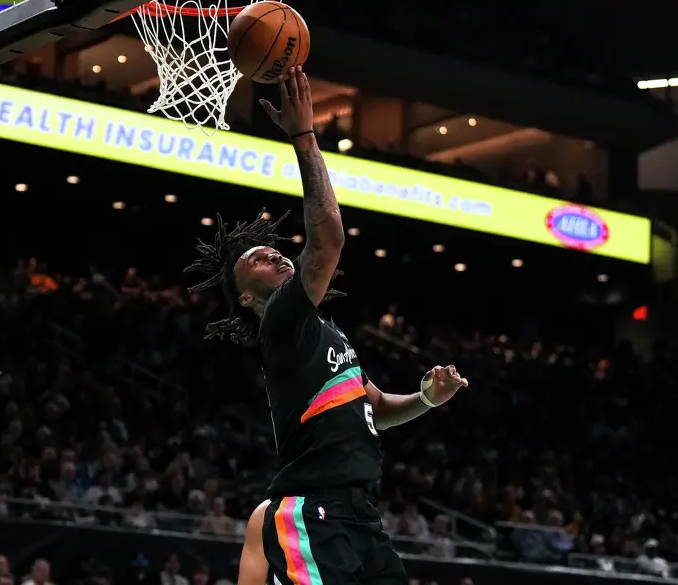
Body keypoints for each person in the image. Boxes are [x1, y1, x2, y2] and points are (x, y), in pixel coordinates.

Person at [185, 66, 468, 584]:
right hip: (311, 510)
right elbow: (329, 239)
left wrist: (425, 399)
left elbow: (375, 409)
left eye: (274, 249)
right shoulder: (281, 322)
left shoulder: (326, 333)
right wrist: (303, 137)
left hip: (360, 516)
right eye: (257, 259)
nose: (274, 252)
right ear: (247, 296)